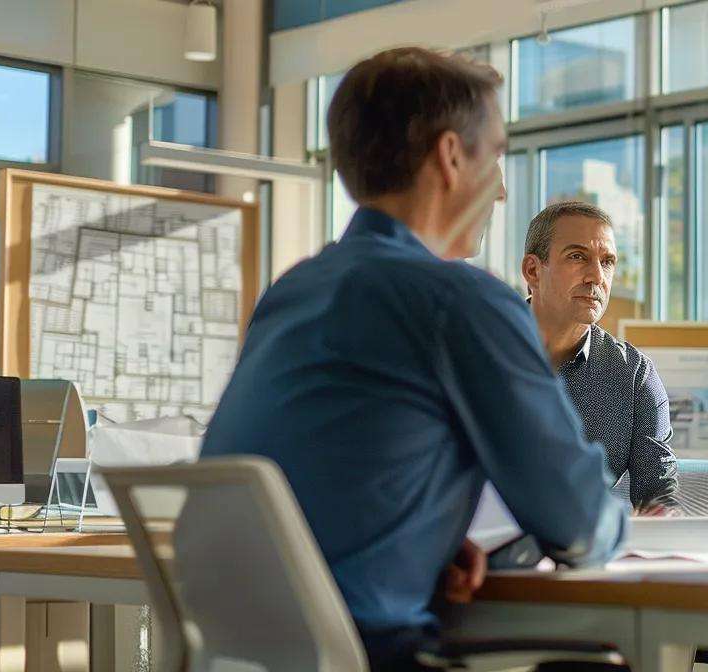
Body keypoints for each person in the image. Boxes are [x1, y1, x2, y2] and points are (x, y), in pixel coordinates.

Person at [201, 47, 628, 671]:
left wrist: (427, 541)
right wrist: (620, 527)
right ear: (452, 157)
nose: (502, 187)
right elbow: (581, 523)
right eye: (498, 156)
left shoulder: (293, 290)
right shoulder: (461, 301)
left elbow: (326, 469)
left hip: (241, 652)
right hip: (370, 653)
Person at [521, 200, 677, 509]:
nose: (596, 277)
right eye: (577, 257)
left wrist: (661, 524)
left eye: (607, 262)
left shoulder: (633, 376)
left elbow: (659, 498)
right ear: (533, 270)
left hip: (581, 548)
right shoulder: (475, 352)